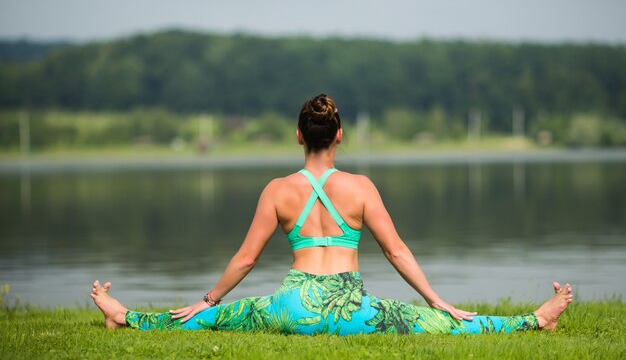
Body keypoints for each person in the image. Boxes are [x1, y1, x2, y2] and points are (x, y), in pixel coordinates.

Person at [91, 94, 572, 335]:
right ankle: (534, 320)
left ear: (299, 136)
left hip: (292, 308)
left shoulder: (278, 191)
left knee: (219, 319)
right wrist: (436, 300)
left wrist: (209, 299)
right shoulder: (360, 188)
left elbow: (245, 259)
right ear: (339, 136)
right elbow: (396, 251)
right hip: (350, 311)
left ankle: (125, 316)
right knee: (437, 324)